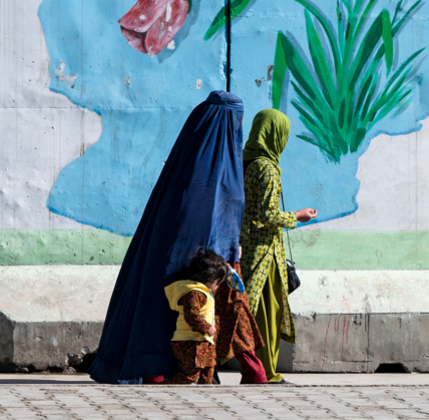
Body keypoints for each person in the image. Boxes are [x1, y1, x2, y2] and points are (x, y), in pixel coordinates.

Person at [88, 91, 266, 384]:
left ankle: (236, 371)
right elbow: (203, 213)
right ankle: (162, 370)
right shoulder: (208, 168)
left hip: (197, 257)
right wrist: (227, 250)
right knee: (183, 309)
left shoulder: (192, 159)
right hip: (199, 259)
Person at [240, 109, 318, 384]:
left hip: (244, 246)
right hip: (265, 251)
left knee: (244, 308)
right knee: (268, 314)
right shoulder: (267, 169)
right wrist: (297, 216)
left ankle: (243, 369)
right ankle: (265, 372)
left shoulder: (243, 160)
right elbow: (268, 214)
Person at [164, 248, 230, 384]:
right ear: (209, 278)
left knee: (208, 372)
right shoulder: (194, 293)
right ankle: (166, 389)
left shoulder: (204, 292)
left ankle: (203, 398)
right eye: (217, 281)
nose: (218, 285)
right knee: (190, 375)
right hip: (190, 342)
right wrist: (206, 328)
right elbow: (192, 315)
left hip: (203, 342)